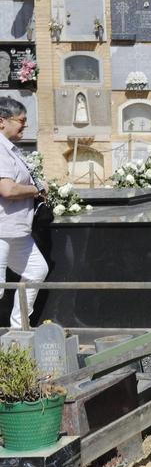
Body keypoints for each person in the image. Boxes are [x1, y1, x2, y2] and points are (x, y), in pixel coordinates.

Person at [0, 98, 47, 329]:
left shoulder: (10, 149)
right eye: (21, 121)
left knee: (37, 269)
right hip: (1, 230)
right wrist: (36, 190)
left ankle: (18, 331)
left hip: (16, 229)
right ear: (2, 121)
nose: (24, 126)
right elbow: (7, 189)